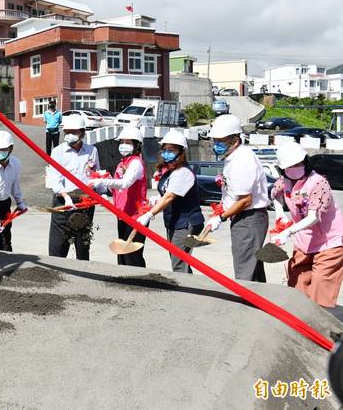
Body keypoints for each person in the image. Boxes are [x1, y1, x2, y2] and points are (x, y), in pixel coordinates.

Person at [270, 141, 343, 308]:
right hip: (304, 240)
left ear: (306, 162)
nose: (294, 168)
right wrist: (280, 213)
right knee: (297, 280)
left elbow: (313, 217)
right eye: (289, 167)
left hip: (329, 241)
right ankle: (300, 318)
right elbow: (275, 195)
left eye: (298, 164)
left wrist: (288, 232)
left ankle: (319, 326)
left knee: (321, 284)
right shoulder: (284, 181)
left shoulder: (318, 183)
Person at [205, 114, 269, 282]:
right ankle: (260, 303)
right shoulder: (232, 157)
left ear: (235, 140)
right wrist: (220, 210)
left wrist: (221, 217)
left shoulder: (242, 160)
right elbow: (231, 192)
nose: (217, 145)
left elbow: (244, 200)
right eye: (215, 140)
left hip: (249, 218)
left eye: (221, 141)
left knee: (244, 270)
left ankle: (246, 304)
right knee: (252, 266)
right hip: (243, 217)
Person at [137, 130, 204, 273]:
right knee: (178, 259)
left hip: (186, 223)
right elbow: (166, 192)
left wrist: (149, 214)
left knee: (179, 261)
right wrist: (156, 198)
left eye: (171, 150)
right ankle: (187, 286)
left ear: (181, 152)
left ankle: (185, 291)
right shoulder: (170, 171)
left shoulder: (183, 172)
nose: (167, 153)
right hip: (174, 221)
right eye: (165, 149)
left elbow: (169, 197)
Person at [89, 126, 147, 267]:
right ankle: (124, 282)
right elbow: (116, 188)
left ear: (136, 145)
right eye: (122, 142)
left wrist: (102, 180)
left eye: (128, 142)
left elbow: (125, 183)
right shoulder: (122, 163)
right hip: (122, 213)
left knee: (132, 255)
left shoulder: (136, 163)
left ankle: (139, 283)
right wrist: (104, 181)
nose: (123, 146)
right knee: (122, 254)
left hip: (135, 216)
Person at [48, 114, 101, 259]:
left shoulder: (92, 151)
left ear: (83, 132)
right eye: (67, 132)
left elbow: (95, 174)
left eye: (74, 132)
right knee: (58, 246)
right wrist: (66, 198)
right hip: (64, 201)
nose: (70, 135)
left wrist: (101, 193)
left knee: (82, 245)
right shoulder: (58, 151)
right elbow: (55, 180)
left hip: (85, 202)